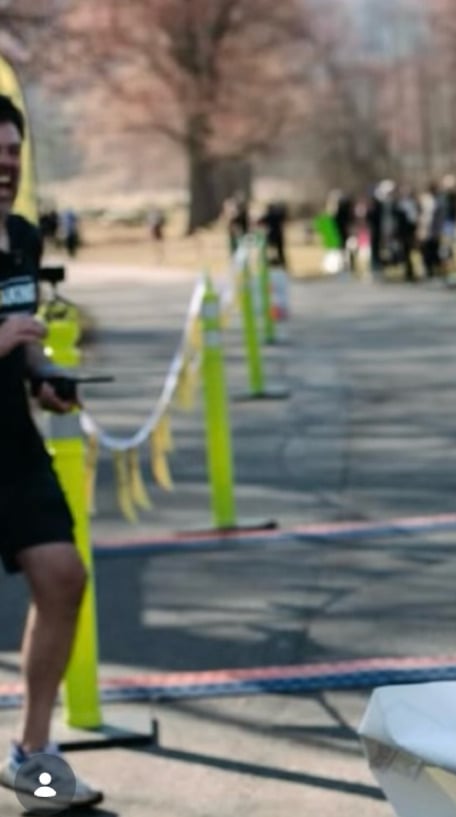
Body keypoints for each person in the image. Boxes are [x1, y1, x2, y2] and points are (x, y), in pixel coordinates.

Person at [0, 94, 103, 808]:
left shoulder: (20, 237)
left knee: (64, 576)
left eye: (14, 152)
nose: (6, 165)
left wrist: (44, 380)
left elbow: (19, 341)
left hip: (10, 440)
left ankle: (33, 757)